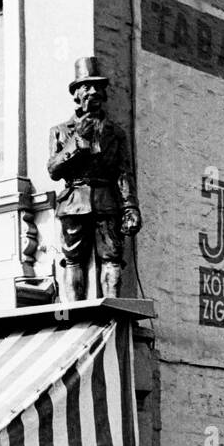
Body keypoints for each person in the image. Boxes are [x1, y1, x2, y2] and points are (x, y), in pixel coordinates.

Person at [47, 55, 142, 302]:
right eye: (87, 87)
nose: (93, 92)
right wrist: (77, 143)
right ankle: (76, 309)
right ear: (76, 94)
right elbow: (54, 169)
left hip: (107, 199)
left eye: (98, 87)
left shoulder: (116, 132)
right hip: (74, 200)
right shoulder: (60, 132)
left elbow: (123, 171)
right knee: (73, 259)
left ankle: (112, 303)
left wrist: (130, 207)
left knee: (112, 257)